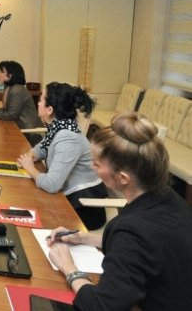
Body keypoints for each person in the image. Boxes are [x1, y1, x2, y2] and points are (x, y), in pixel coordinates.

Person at [47, 113, 192, 310]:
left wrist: (69, 268)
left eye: (96, 163)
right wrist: (83, 238)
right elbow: (148, 249)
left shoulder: (135, 229)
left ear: (123, 178)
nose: (91, 166)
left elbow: (100, 306)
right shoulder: (166, 198)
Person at [16, 82, 107, 230]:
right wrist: (31, 155)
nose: (38, 103)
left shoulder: (67, 137)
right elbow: (41, 149)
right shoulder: (60, 126)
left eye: (41, 100)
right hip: (67, 198)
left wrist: (30, 168)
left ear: (50, 110)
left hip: (83, 209)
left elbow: (52, 185)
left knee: (26, 211)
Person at [0, 60, 43, 129]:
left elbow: (11, 115)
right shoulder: (9, 88)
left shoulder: (17, 90)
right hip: (19, 128)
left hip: (28, 131)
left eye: (2, 72)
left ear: (10, 75)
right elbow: (6, 110)